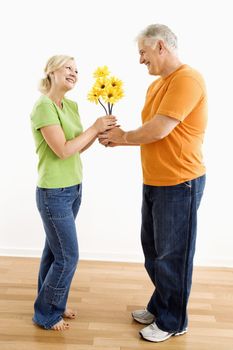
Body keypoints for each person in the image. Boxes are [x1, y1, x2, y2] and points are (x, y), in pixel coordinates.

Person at [99, 24, 207, 343]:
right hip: (156, 180)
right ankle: (162, 305)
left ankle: (175, 320)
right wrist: (120, 139)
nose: (141, 60)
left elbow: (159, 129)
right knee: (153, 250)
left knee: (173, 256)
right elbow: (150, 130)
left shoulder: (187, 79)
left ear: (161, 46)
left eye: (143, 53)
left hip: (180, 183)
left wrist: (123, 138)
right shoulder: (157, 85)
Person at [31, 55, 116, 331]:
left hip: (73, 188)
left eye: (76, 70)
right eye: (68, 67)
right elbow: (62, 150)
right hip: (53, 192)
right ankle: (46, 313)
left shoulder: (71, 105)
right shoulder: (43, 106)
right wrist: (93, 128)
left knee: (54, 253)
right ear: (51, 72)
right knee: (68, 256)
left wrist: (99, 135)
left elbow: (76, 148)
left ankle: (54, 300)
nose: (74, 73)